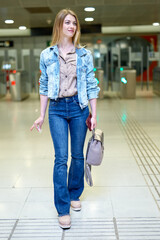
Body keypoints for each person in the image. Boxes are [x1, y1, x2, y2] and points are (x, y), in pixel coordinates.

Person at [30, 9, 100, 229]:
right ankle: (62, 208)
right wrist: (41, 114)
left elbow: (91, 84)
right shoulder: (46, 55)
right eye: (68, 22)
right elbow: (43, 86)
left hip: (79, 109)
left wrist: (94, 113)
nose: (72, 26)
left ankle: (74, 194)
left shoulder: (84, 55)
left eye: (74, 23)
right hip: (57, 109)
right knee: (61, 159)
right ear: (59, 25)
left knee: (77, 156)